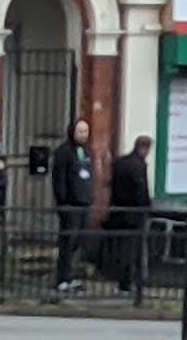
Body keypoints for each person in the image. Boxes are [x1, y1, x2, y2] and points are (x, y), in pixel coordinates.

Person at [51, 118, 94, 293]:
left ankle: (71, 276)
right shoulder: (63, 152)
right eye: (80, 131)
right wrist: (63, 200)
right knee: (67, 242)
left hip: (84, 202)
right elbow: (59, 179)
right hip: (70, 204)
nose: (83, 135)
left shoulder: (86, 151)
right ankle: (62, 278)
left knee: (76, 242)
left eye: (86, 131)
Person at [105, 135, 153, 293]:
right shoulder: (139, 165)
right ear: (144, 148)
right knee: (135, 250)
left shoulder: (120, 162)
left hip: (119, 211)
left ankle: (122, 280)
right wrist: (147, 207)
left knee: (122, 248)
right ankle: (133, 282)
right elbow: (141, 191)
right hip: (135, 214)